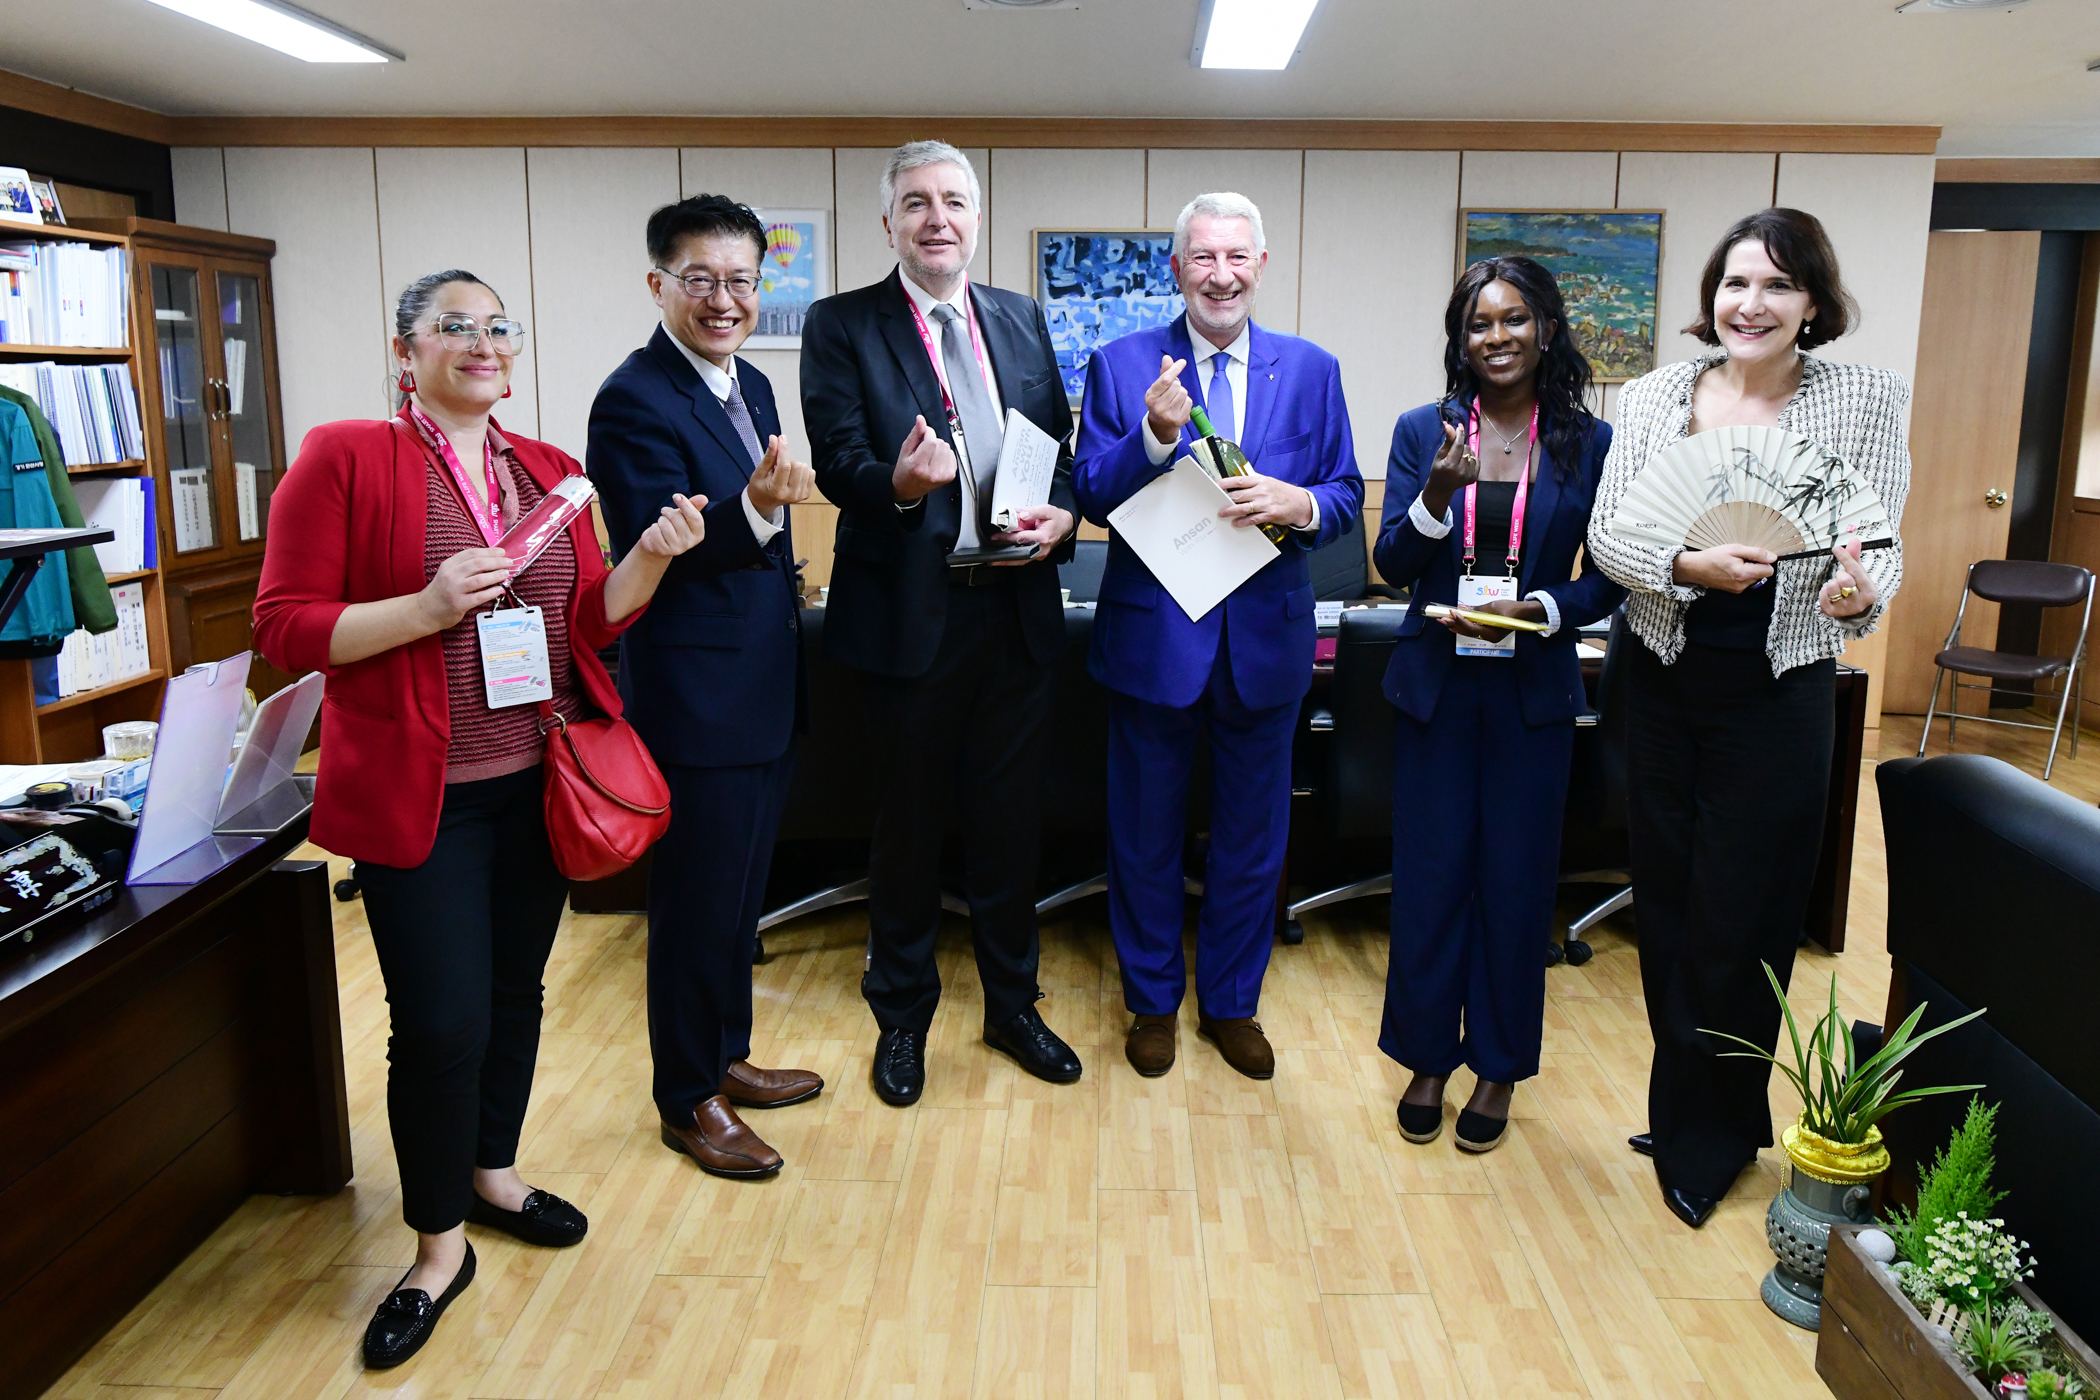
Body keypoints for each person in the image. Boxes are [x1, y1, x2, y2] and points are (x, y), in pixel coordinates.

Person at [254, 270, 708, 1369]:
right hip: (424, 797)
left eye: (497, 325)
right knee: (442, 1019)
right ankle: (434, 1246)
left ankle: (492, 1172)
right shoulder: (347, 457)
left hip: (534, 782)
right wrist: (422, 608)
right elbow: (283, 628)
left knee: (515, 992)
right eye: (453, 325)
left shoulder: (548, 473)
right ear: (403, 347)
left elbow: (590, 624)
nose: (482, 341)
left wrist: (651, 552)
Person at [1585, 208, 1909, 1228]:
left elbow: (1878, 540)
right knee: (1670, 900)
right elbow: (1609, 535)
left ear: (1814, 301)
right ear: (1710, 298)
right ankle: (1686, 1103)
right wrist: (1683, 563)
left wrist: (1862, 594)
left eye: (1776, 285)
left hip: (1782, 671)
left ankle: (1712, 1136)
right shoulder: (1652, 398)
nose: (1750, 304)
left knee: (1748, 910)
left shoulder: (1861, 399)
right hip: (1665, 661)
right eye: (1734, 283)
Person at [799, 140, 1083, 1105]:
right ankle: (903, 1018)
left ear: (975, 217)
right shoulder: (842, 325)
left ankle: (1013, 1007)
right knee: (908, 834)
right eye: (915, 203)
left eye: (954, 201)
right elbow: (838, 459)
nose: (937, 219)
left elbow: (1065, 451)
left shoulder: (1019, 317)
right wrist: (897, 482)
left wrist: (1068, 516)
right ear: (890, 224)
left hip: (1015, 612)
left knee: (1010, 828)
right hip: (909, 622)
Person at [1072, 193, 1362, 1080]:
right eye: (1203, 257)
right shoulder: (1122, 365)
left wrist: (1299, 502)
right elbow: (1089, 492)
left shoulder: (1312, 370)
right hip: (1154, 642)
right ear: (1177, 268)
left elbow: (1346, 495)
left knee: (1253, 841)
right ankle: (1152, 1003)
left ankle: (1233, 1003)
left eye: (1237, 257)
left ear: (1261, 266)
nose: (1221, 274)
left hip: (1265, 647)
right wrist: (1153, 441)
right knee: (1143, 836)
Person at [589, 194, 823, 1181]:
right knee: (692, 904)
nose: (725, 300)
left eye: (741, 280)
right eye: (702, 280)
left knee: (738, 897)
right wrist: (760, 512)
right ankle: (686, 1095)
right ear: (659, 285)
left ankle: (725, 1052)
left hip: (763, 684)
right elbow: (666, 545)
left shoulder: (754, 384)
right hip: (695, 697)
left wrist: (764, 520)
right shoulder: (633, 399)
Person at [1372, 256, 1622, 1151]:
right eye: (1479, 324)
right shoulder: (1421, 430)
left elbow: (1612, 578)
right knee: (1432, 881)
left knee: (1517, 888)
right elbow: (1393, 563)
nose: (1497, 337)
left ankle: (1500, 1068)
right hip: (1438, 686)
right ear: (1461, 340)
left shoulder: (1588, 443)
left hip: (1531, 688)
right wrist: (1439, 492)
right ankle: (1428, 1056)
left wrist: (1545, 609)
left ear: (1546, 330)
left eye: (1514, 320)